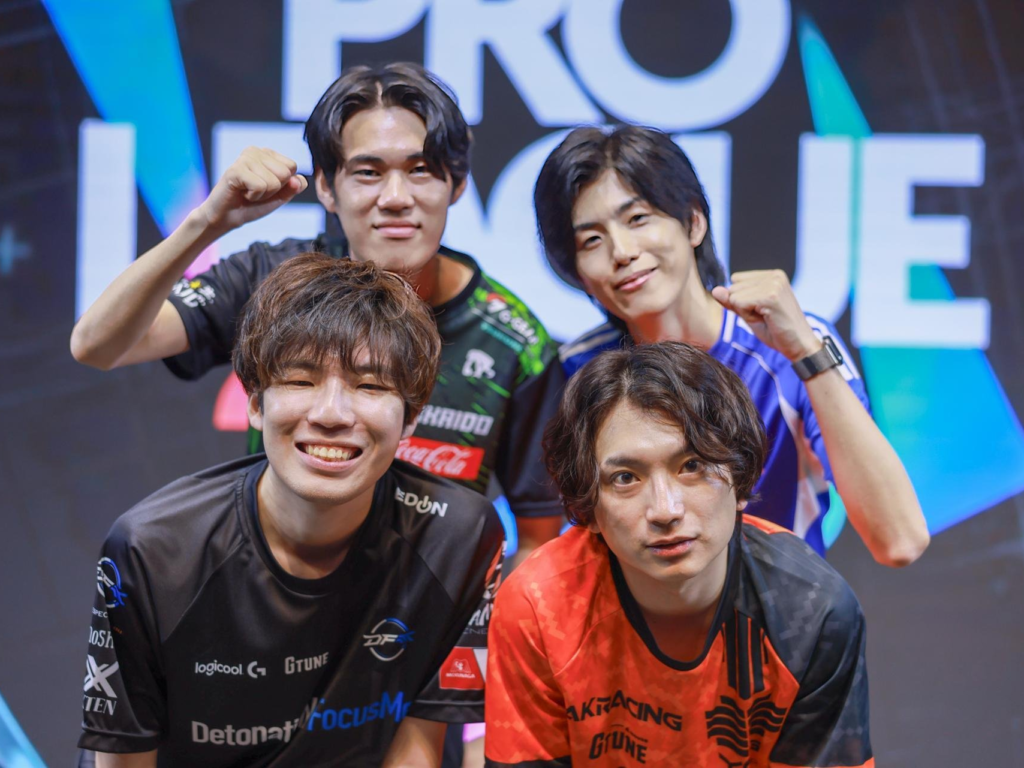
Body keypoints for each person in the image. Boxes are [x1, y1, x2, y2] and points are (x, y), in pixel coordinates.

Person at [69, 61, 566, 558]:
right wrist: (207, 222)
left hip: (426, 600)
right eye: (368, 172)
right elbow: (98, 345)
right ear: (326, 186)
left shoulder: (514, 341)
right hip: (267, 580)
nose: (396, 198)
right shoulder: (275, 281)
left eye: (420, 170)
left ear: (456, 184)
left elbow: (537, 537)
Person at [79, 254, 504, 767]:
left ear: (411, 417)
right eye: (301, 381)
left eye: (370, 386)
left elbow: (416, 749)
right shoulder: (153, 551)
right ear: (255, 403)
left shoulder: (459, 534)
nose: (331, 415)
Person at [534, 124, 928, 565]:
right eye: (591, 240)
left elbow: (900, 540)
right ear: (578, 273)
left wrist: (804, 351)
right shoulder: (574, 372)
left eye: (638, 219)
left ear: (693, 222)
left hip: (777, 605)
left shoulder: (792, 345)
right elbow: (551, 544)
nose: (622, 251)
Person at [484, 342, 873, 768]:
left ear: (740, 480)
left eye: (692, 466)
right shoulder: (537, 605)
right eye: (625, 477)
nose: (665, 510)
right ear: (588, 509)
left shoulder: (813, 608)